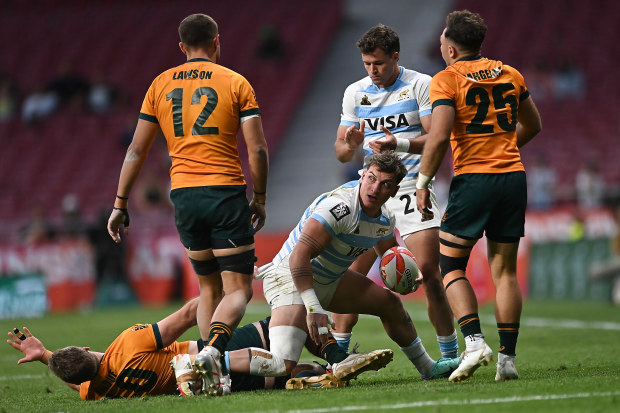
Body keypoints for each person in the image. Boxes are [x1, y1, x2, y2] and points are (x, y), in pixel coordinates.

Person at [107, 13, 269, 396]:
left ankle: (205, 376)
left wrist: (119, 204)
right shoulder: (235, 81)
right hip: (225, 192)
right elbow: (257, 148)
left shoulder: (159, 84)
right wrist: (259, 198)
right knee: (239, 290)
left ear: (182, 47)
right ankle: (212, 353)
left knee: (208, 288)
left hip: (183, 195)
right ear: (216, 42)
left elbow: (136, 150)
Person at [415, 10, 542, 383]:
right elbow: (534, 124)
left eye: (441, 43)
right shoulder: (510, 73)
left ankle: (473, 342)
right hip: (513, 178)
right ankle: (508, 360)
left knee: (449, 267)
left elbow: (438, 138)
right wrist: (502, 150)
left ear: (452, 50)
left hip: (474, 181)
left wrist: (423, 183)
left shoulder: (446, 80)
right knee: (504, 271)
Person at [257, 152, 461, 383]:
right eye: (372, 179)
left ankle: (427, 368)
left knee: (390, 303)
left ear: (394, 191)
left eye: (385, 184)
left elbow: (390, 254)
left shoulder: (385, 218)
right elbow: (298, 257)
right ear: (362, 176)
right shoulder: (338, 207)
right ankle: (217, 361)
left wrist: (408, 275)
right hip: (288, 278)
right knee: (281, 363)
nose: (375, 189)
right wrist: (314, 308)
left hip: (329, 280)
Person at [333, 24, 458, 360]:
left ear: (395, 56)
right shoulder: (355, 93)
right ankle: (338, 358)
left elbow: (436, 138)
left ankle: (449, 356)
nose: (372, 71)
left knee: (430, 272)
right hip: (370, 194)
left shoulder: (420, 84)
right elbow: (342, 152)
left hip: (410, 187)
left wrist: (398, 142)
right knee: (348, 277)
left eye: (379, 63)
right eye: (367, 64)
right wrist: (351, 144)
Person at [6, 298, 351, 398]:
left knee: (284, 373)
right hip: (209, 352)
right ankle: (340, 358)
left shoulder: (100, 390)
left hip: (209, 383)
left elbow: (76, 379)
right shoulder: (126, 344)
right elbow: (185, 316)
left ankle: (318, 374)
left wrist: (47, 357)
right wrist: (220, 290)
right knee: (294, 317)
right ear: (85, 347)